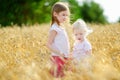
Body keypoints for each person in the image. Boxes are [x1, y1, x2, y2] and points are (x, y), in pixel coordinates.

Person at [46, 2, 70, 78]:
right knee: (57, 76)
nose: (65, 17)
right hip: (57, 58)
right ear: (55, 14)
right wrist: (59, 53)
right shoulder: (54, 28)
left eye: (66, 15)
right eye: (63, 14)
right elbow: (48, 44)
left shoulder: (61, 28)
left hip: (64, 57)